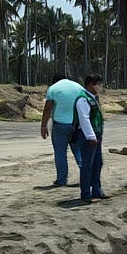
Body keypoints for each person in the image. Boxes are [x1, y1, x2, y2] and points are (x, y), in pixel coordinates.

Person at [39, 73, 85, 186]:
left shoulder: (53, 89)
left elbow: (48, 108)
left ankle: (62, 179)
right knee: (79, 152)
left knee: (60, 153)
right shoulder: (78, 87)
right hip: (77, 125)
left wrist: (43, 126)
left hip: (60, 125)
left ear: (54, 81)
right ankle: (86, 176)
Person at [73, 74, 107, 203]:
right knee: (87, 166)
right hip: (88, 137)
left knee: (98, 163)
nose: (99, 86)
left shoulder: (94, 98)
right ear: (89, 85)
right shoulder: (83, 99)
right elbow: (84, 119)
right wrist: (91, 137)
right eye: (97, 84)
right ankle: (86, 194)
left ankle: (97, 191)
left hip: (96, 135)